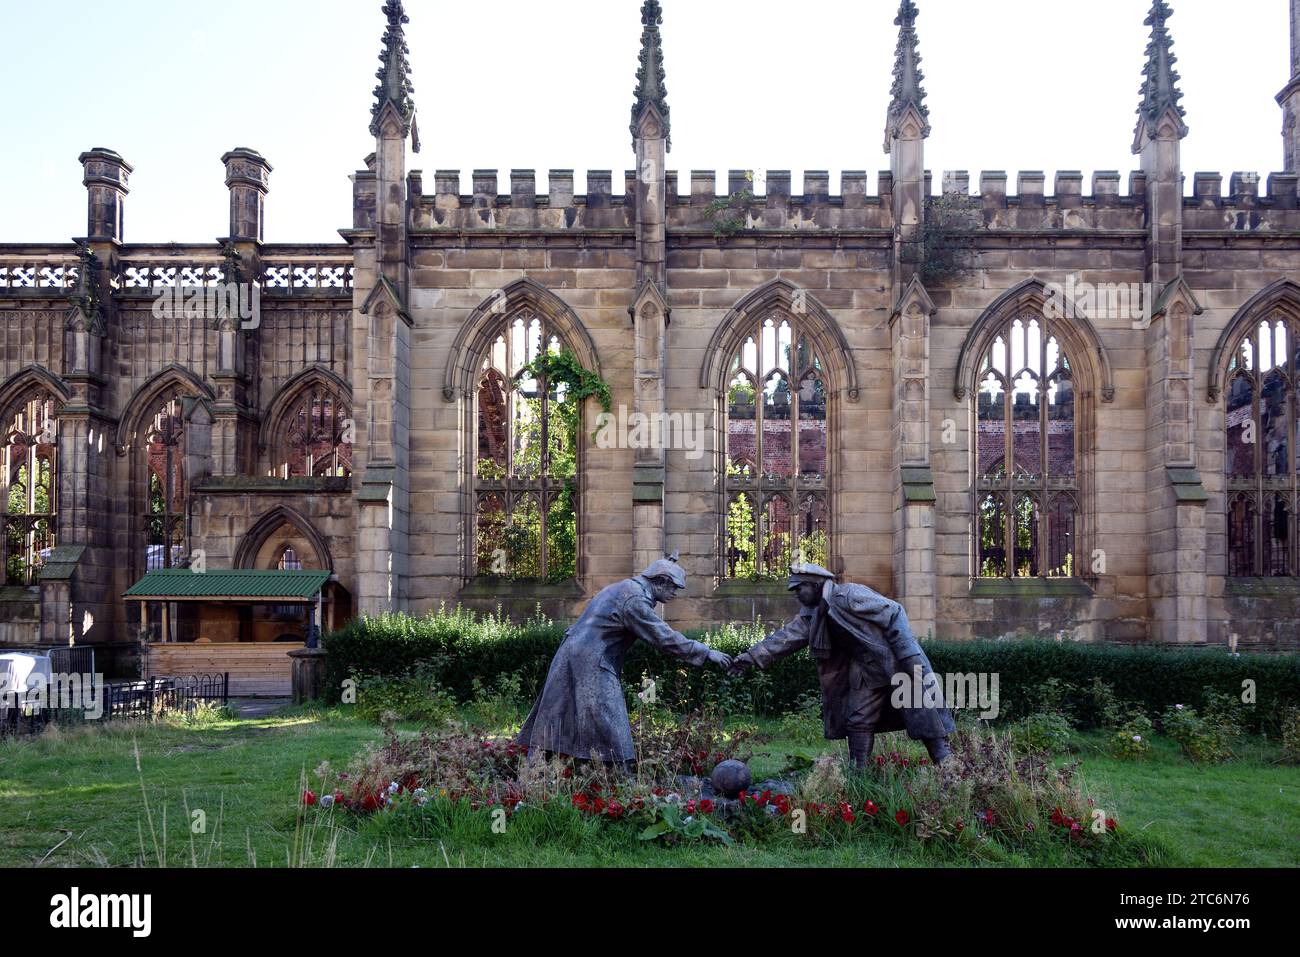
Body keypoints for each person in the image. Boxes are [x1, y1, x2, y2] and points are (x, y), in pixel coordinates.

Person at [730, 563, 954, 767]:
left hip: (895, 663)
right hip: (866, 671)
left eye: (799, 589)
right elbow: (785, 639)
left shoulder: (848, 595)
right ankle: (858, 774)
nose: (796, 595)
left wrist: (907, 654)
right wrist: (749, 658)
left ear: (814, 585)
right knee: (857, 720)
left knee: (925, 718)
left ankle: (949, 769)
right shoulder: (813, 614)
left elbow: (894, 611)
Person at [517, 553, 732, 764]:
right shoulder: (635, 600)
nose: (676, 593)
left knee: (557, 714)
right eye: (674, 587)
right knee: (611, 723)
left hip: (570, 654)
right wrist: (706, 652)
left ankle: (534, 773)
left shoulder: (622, 587)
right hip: (593, 661)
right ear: (660, 581)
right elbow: (664, 637)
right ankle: (621, 779)